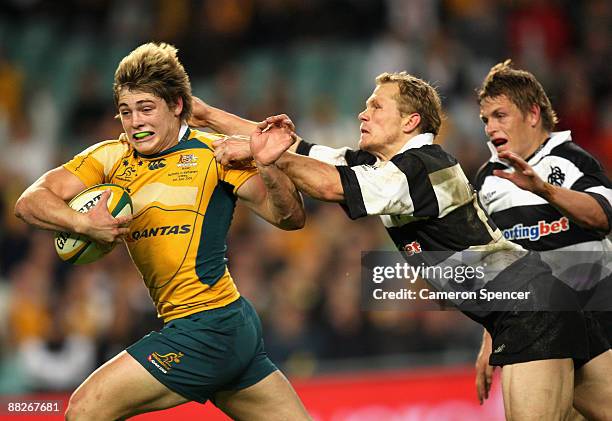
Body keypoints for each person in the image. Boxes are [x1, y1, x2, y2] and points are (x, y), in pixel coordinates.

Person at [189, 71, 612, 420]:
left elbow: (323, 182)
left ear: (410, 122)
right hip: (533, 306)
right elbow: (297, 148)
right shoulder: (385, 167)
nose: (362, 112)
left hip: (531, 312)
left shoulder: (423, 166)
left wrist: (260, 153)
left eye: (376, 106)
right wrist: (206, 115)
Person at [14, 42, 311, 420]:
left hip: (209, 323)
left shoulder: (215, 154)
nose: (135, 121)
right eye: (126, 111)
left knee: (84, 409)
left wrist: (268, 167)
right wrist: (82, 222)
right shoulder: (110, 156)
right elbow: (29, 201)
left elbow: (290, 217)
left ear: (177, 106)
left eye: (146, 108)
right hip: (222, 328)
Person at [473, 60, 612, 419]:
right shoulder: (488, 180)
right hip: (543, 330)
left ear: (533, 114)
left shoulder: (570, 161)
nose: (491, 128)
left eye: (500, 115)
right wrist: (491, 336)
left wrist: (544, 189)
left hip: (600, 321)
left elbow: (602, 216)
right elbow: (498, 264)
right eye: (486, 120)